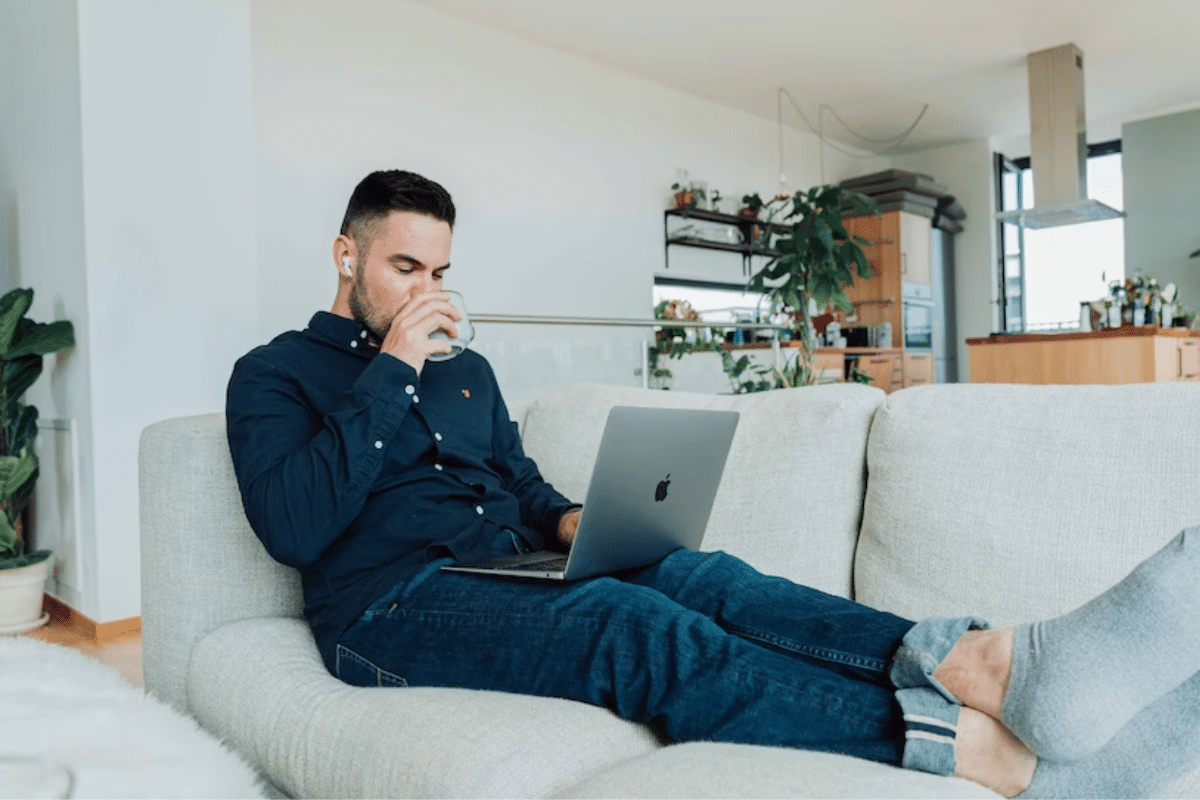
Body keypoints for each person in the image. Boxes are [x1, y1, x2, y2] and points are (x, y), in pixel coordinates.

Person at [226, 169, 1200, 798]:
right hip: (389, 608)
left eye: (440, 268)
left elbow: (516, 483)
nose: (429, 290)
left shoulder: (469, 374)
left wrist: (575, 519)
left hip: (510, 571)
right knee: (636, 628)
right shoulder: (273, 374)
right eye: (405, 266)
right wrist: (393, 367)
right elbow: (295, 526)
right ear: (346, 255)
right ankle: (991, 755)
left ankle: (980, 663)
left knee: (706, 576)